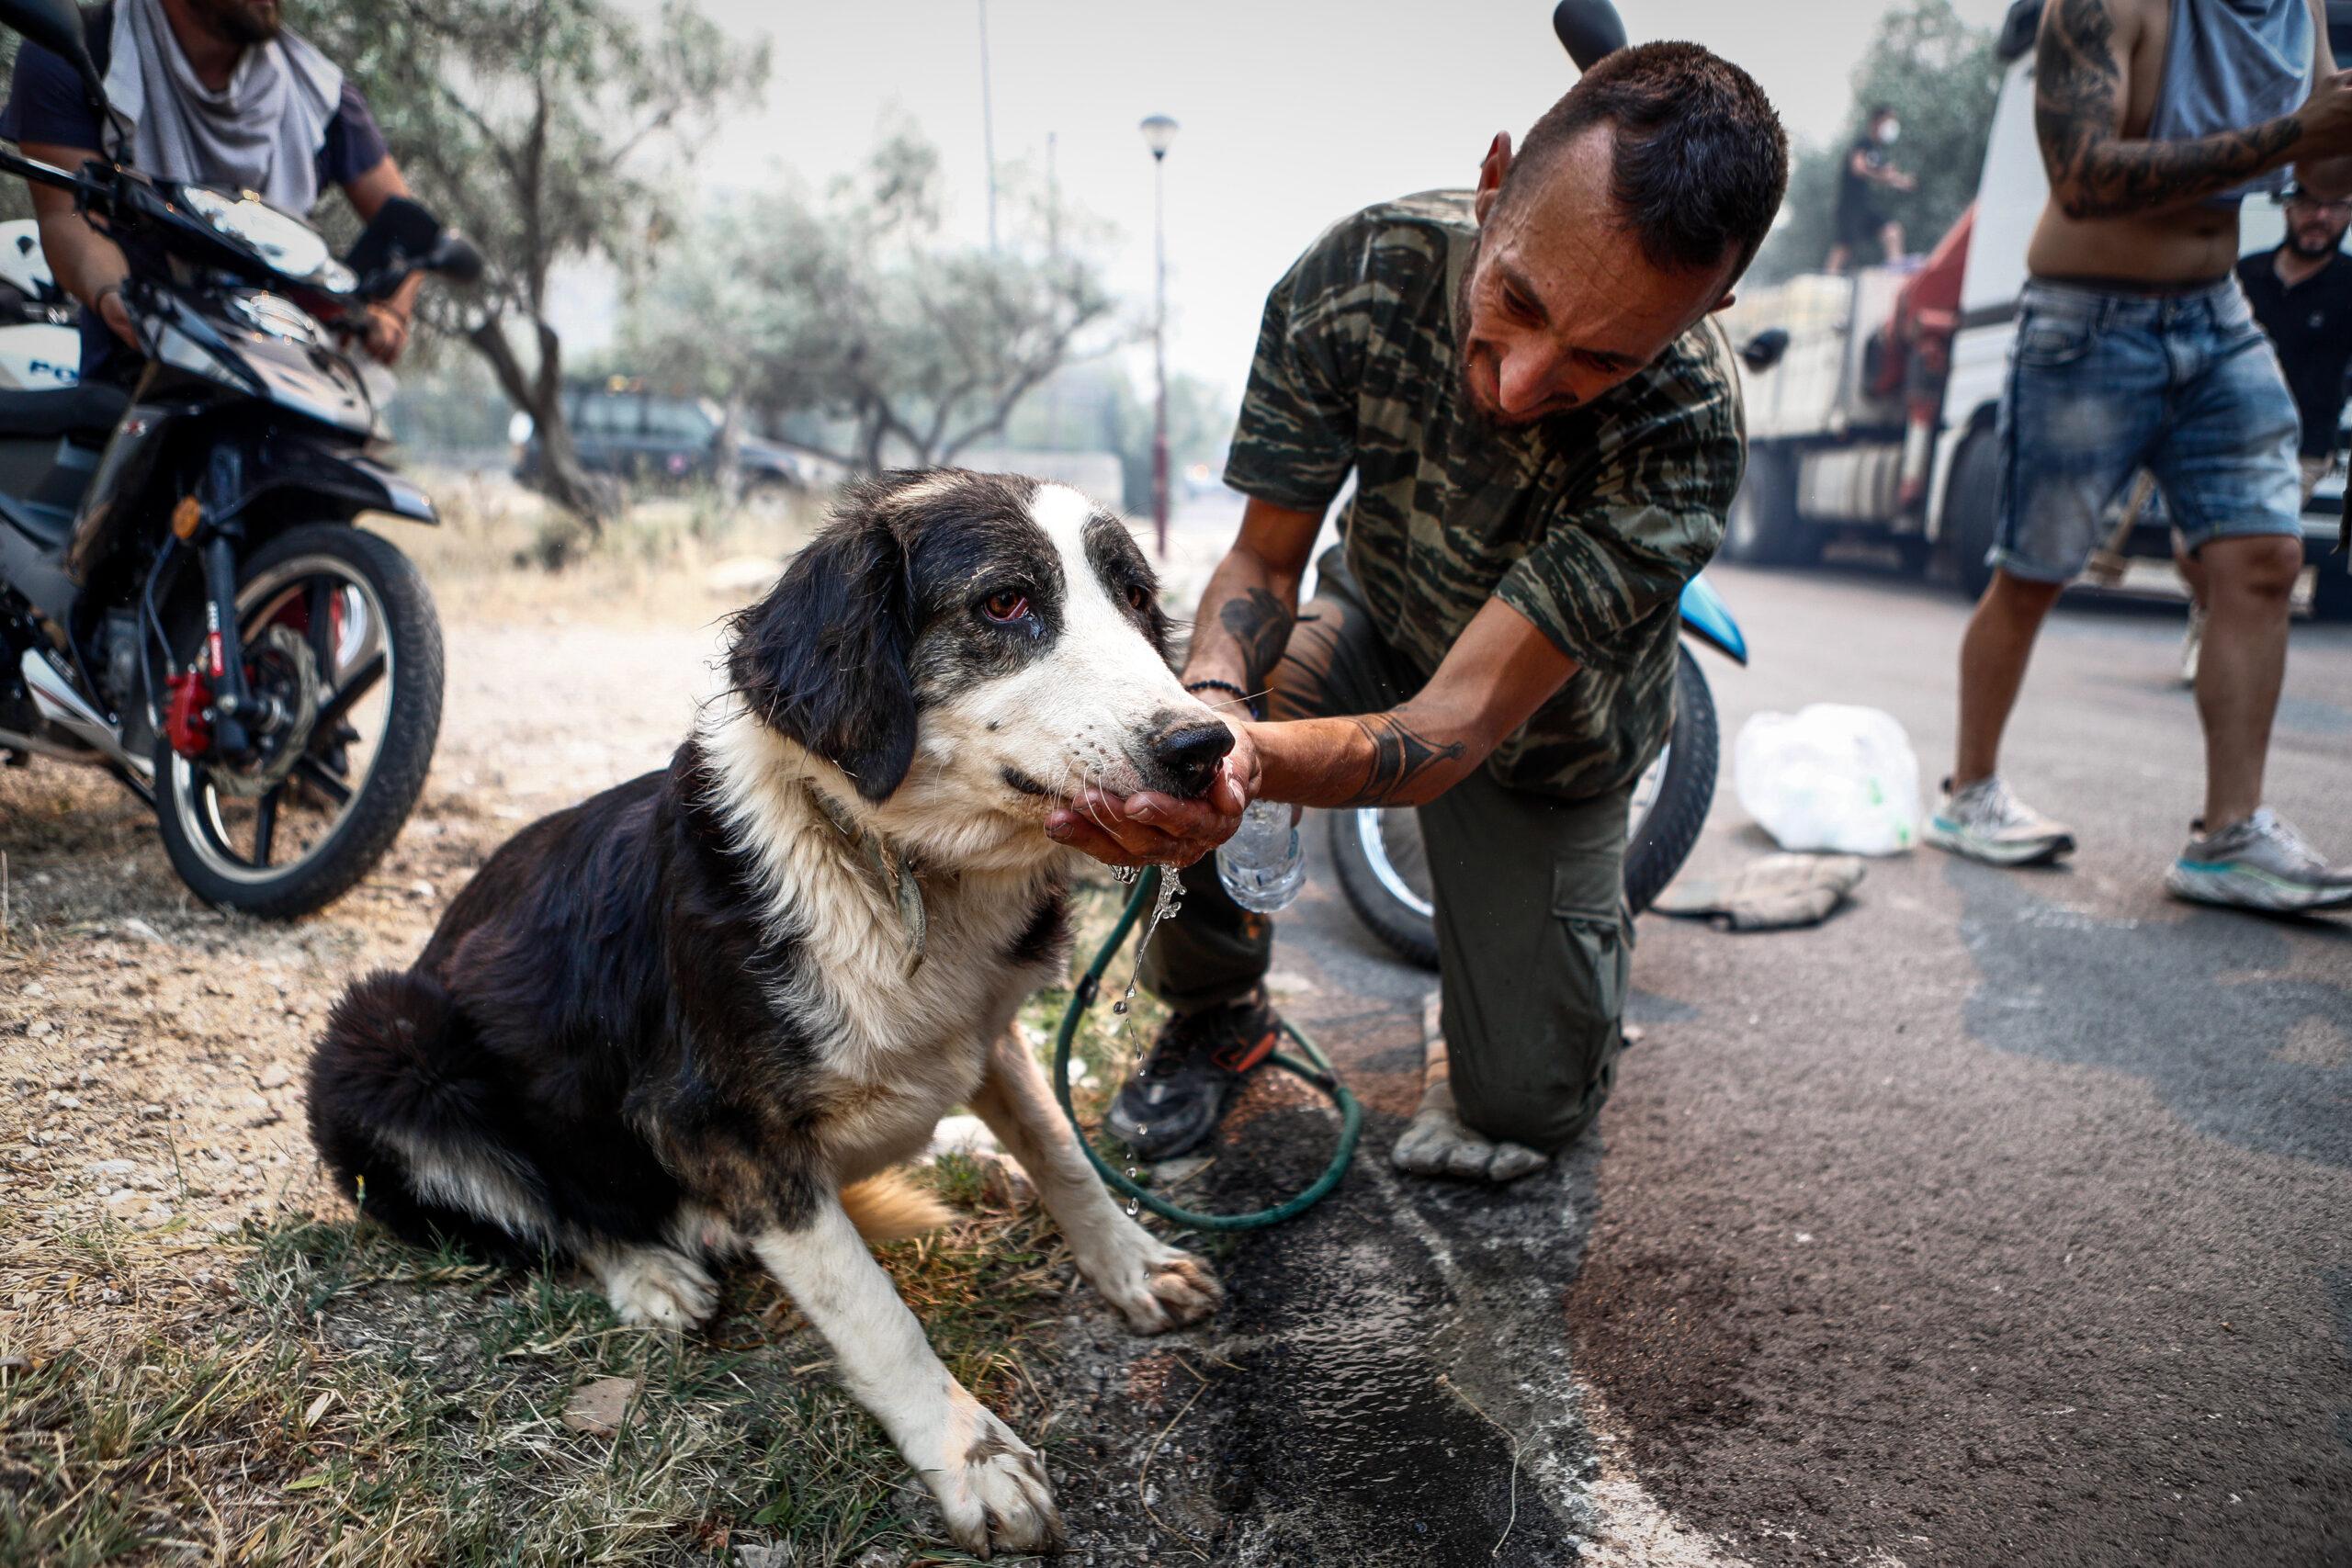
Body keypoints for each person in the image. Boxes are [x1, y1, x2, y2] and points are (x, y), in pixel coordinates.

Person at [1043, 43, 1789, 1183]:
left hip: (1546, 736)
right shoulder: (1360, 273)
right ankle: (1215, 1007)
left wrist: (1244, 760)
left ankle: (1523, 988)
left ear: (1708, 308)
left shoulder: (1688, 430)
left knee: (1525, 1111)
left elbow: (1458, 723)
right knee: (1181, 743)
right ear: (1493, 186)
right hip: (1374, 620)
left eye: (1600, 357)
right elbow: (1260, 562)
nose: (1524, 382)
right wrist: (1209, 724)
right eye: (1516, 302)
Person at [1927, 0, 2352, 911]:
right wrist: (2292, 132)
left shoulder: (2299, 6)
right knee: (2035, 572)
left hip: (2215, 312)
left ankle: (2228, 837)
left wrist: (2334, 136)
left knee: (2265, 559)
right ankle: (1969, 794)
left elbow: (2320, 163)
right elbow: (2081, 177)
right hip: (2088, 314)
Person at [0, 0, 419, 379]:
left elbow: (410, 229)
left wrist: (389, 314)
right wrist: (116, 295)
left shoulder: (321, 95)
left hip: (294, 381)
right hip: (138, 380)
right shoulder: (82, 52)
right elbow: (68, 215)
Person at [2176, 182, 2352, 681]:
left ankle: (2216, 647)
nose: (2320, 216)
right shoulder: (2244, 275)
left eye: (2336, 205)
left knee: (2249, 548)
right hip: (2222, 437)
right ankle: (2210, 617)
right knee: (2190, 550)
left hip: (2300, 448)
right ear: (2287, 207)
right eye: (2309, 204)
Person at [1825, 104, 1917, 274]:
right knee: (1844, 246)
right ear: (1877, 122)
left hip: (1865, 204)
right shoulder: (1863, 143)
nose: (1892, 126)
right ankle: (1828, 281)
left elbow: (1884, 175)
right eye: (1889, 121)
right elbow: (1858, 168)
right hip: (1850, 205)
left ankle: (1895, 267)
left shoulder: (1877, 150)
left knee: (1892, 231)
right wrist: (1885, 176)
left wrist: (1901, 181)